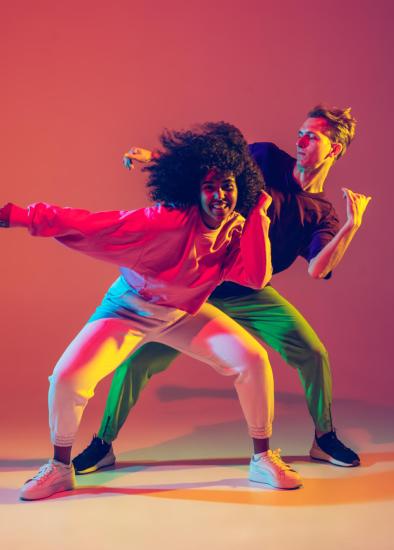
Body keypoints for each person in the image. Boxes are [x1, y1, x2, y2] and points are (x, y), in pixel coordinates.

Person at [0, 122, 303, 500]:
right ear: (195, 191)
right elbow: (92, 225)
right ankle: (60, 468)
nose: (221, 195)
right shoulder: (166, 221)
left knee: (253, 359)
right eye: (210, 186)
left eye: (228, 185)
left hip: (183, 314)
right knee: (66, 379)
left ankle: (262, 460)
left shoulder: (239, 227)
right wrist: (16, 215)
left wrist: (258, 215)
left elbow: (257, 277)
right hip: (129, 309)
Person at [73, 105, 372, 475]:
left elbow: (317, 269)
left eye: (313, 136)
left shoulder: (322, 214)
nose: (301, 140)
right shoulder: (264, 158)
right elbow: (209, 168)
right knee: (138, 361)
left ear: (335, 150)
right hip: (201, 279)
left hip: (249, 291)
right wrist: (157, 159)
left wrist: (351, 226)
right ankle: (102, 445)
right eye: (301, 132)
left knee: (313, 352)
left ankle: (324, 439)